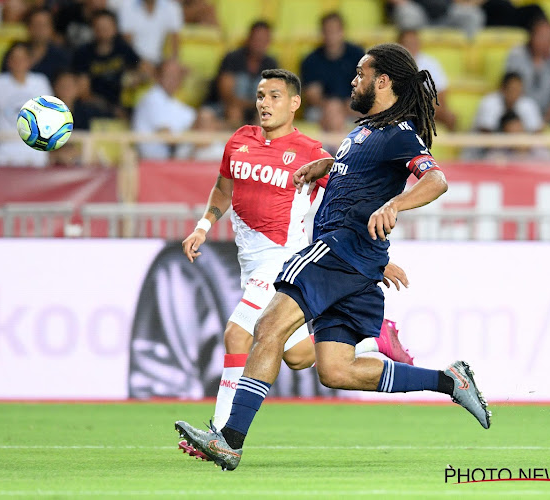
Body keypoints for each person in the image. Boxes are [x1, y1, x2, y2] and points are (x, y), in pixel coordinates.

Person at [176, 44, 491, 471]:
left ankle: (229, 439)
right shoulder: (366, 131)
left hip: (337, 250)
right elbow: (359, 174)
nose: (352, 79)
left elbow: (436, 180)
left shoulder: (399, 132)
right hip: (357, 263)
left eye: (361, 73)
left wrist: (396, 204)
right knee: (336, 370)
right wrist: (325, 166)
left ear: (383, 81)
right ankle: (448, 381)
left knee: (267, 326)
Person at [177, 68, 416, 460]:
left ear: (294, 104)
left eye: (274, 96)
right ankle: (377, 337)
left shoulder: (311, 152)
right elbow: (224, 186)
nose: (264, 104)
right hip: (249, 261)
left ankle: (220, 434)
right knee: (295, 355)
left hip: (281, 258)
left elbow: (349, 199)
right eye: (259, 95)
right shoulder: (239, 140)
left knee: (239, 334)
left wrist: (375, 253)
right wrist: (203, 226)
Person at [0, 41, 53, 167]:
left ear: (29, 61)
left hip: (35, 154)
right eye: (14, 58)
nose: (18, 62)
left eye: (22, 58)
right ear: (8, 61)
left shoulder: (40, 82)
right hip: (4, 152)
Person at [71, 9, 146, 120]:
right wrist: (111, 109)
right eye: (99, 26)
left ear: (115, 28)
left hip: (125, 105)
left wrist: (137, 77)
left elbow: (145, 70)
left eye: (106, 26)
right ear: (93, 29)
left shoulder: (123, 48)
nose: (103, 30)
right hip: (96, 108)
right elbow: (84, 92)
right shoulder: (84, 53)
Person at [207, 21, 278, 127]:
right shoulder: (232, 59)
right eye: (257, 39)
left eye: (264, 40)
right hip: (226, 107)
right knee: (234, 111)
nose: (260, 43)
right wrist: (250, 104)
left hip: (256, 109)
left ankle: (258, 143)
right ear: (249, 38)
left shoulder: (271, 64)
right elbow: (226, 94)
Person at [504, 17, 550, 125]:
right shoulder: (517, 55)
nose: (546, 42)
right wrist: (531, 117)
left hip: (549, 112)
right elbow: (511, 89)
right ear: (531, 36)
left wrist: (545, 119)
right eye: (542, 37)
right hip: (521, 107)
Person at [300, 12, 365, 122]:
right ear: (322, 32)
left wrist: (349, 105)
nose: (331, 35)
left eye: (334, 30)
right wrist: (333, 106)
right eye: (327, 31)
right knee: (327, 111)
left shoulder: (358, 55)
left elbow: (366, 87)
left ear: (342, 31)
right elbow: (312, 96)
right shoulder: (311, 60)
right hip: (322, 109)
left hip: (352, 105)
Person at [132, 58, 195, 159]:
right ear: (158, 77)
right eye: (169, 76)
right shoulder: (152, 97)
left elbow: (194, 120)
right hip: (151, 164)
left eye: (176, 76)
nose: (173, 80)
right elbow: (168, 137)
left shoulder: (172, 101)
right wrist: (193, 134)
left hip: (167, 162)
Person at [398, 29, 457, 130]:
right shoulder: (390, 63)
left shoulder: (431, 63)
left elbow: (441, 96)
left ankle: (454, 144)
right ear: (399, 45)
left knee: (450, 117)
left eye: (414, 43)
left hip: (427, 108)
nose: (411, 47)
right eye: (407, 43)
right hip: (399, 108)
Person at [117, 0, 183, 65]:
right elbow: (127, 42)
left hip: (162, 62)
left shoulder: (172, 7)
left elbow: (175, 42)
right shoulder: (127, 6)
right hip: (136, 62)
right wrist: (139, 64)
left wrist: (171, 64)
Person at [472, 72, 543, 132]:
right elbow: (486, 132)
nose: (516, 94)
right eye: (513, 89)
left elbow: (537, 131)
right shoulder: (489, 102)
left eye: (519, 90)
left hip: (520, 145)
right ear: (503, 89)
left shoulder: (528, 104)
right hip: (487, 145)